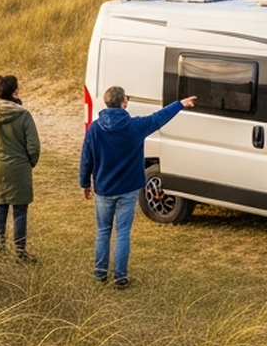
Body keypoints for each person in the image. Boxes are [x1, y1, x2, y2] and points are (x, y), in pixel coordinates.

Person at [79, 86, 195, 288]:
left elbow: (86, 159)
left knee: (103, 230)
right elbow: (159, 118)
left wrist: (85, 183)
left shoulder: (95, 129)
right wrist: (179, 104)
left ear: (107, 103)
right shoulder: (135, 126)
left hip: (104, 189)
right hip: (128, 188)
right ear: (124, 103)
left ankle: (100, 273)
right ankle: (120, 277)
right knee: (123, 232)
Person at [0, 74, 41, 261]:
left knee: (1, 205)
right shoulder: (23, 115)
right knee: (20, 209)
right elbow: (34, 146)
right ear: (14, 91)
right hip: (20, 167)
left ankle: (0, 248)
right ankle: (20, 251)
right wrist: (29, 162)